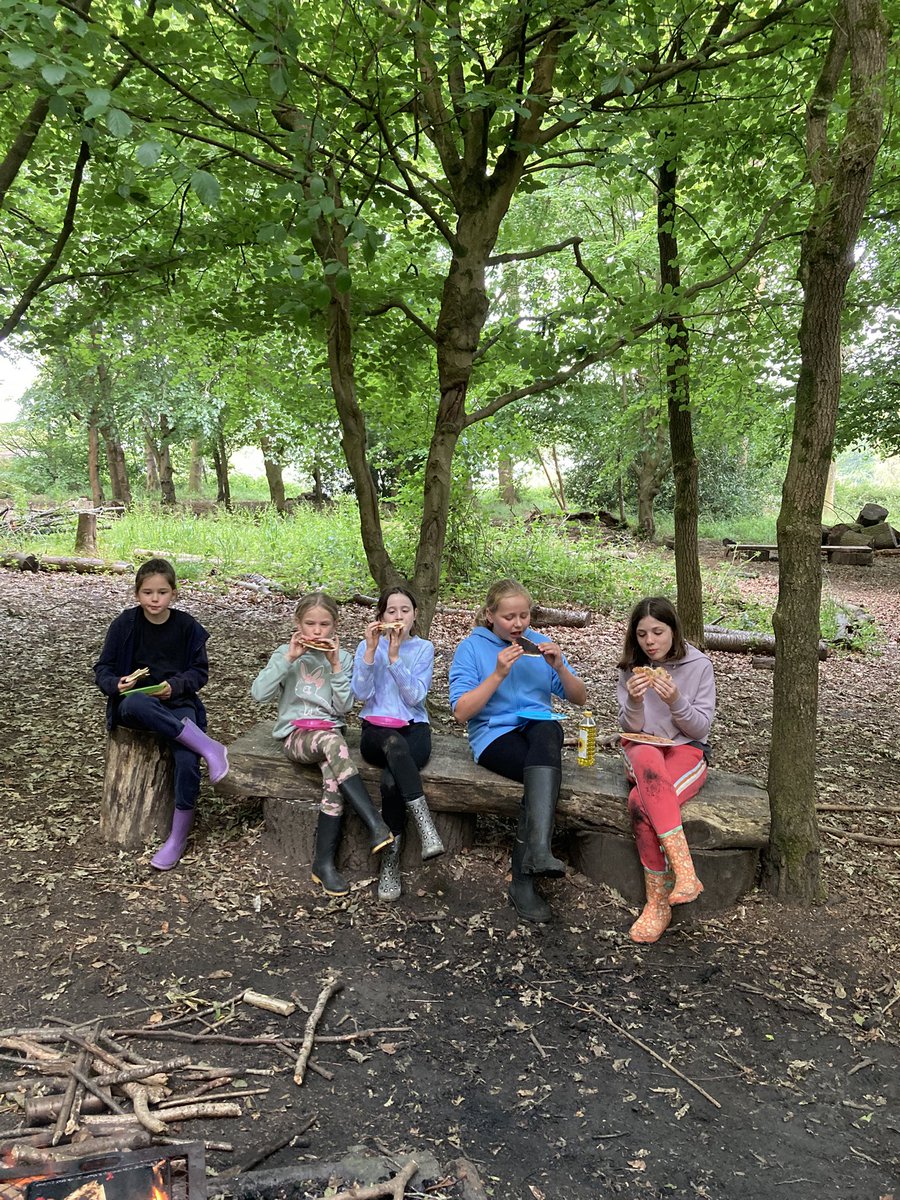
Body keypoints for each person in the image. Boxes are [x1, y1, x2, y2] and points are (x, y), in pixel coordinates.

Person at [449, 579, 587, 923]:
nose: (518, 623)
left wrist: (558, 666)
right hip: (494, 737)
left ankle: (534, 858)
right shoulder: (471, 648)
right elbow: (461, 712)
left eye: (524, 615)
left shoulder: (539, 645)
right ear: (490, 615)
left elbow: (579, 697)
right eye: (509, 616)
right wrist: (497, 674)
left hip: (538, 731)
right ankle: (527, 872)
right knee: (541, 773)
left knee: (548, 729)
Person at [251, 591, 392, 897]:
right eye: (310, 624)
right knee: (332, 742)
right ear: (297, 623)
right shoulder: (284, 654)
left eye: (324, 624)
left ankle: (323, 864)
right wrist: (288, 659)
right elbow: (258, 694)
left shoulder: (341, 658)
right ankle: (375, 823)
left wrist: (336, 666)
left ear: (335, 625)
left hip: (329, 739)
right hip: (296, 737)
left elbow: (342, 708)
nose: (317, 631)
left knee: (332, 774)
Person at [94, 557, 229, 871]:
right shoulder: (124, 624)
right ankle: (209, 746)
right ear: (137, 593)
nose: (155, 599)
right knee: (134, 703)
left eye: (162, 592)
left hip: (176, 702)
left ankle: (177, 837)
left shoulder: (187, 627)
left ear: (174, 593)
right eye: (147, 592)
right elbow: (103, 670)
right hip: (137, 706)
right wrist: (118, 683)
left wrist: (176, 686)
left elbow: (199, 673)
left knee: (185, 759)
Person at [617, 596, 716, 944]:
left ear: (673, 630)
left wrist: (675, 699)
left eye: (658, 632)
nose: (650, 642)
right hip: (643, 749)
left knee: (639, 804)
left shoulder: (699, 665)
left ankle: (659, 902)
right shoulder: (632, 667)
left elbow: (699, 729)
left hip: (684, 750)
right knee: (644, 752)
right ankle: (681, 876)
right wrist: (634, 699)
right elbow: (630, 728)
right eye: (642, 634)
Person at [351, 586, 441, 902]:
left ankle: (390, 861)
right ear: (381, 616)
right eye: (392, 610)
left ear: (415, 616)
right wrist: (371, 653)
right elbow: (360, 695)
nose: (398, 616)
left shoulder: (423, 649)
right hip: (376, 732)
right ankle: (425, 823)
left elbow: (416, 697)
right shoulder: (367, 646)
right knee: (392, 744)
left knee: (391, 781)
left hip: (414, 730)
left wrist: (394, 658)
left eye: (405, 610)